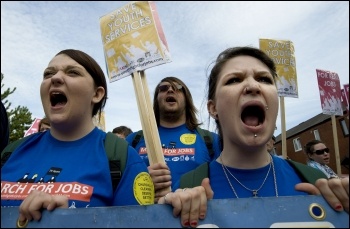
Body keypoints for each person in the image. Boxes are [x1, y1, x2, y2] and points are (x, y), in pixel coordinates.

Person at [1, 49, 210, 228]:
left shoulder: (121, 156)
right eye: (48, 73)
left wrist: (72, 221)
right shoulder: (11, 152)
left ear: (97, 94)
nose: (55, 78)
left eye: (72, 72)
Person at [174, 46, 348, 213]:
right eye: (234, 80)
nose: (253, 86)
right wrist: (167, 215)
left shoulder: (316, 181)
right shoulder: (189, 185)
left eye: (264, 79)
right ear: (213, 108)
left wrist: (334, 218)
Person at [126, 76, 222, 201]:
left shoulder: (211, 140)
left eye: (178, 88)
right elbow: (116, 187)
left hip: (196, 217)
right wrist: (141, 183)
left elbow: (225, 183)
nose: (170, 90)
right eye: (163, 88)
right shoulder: (133, 140)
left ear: (187, 99)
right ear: (156, 100)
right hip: (145, 217)